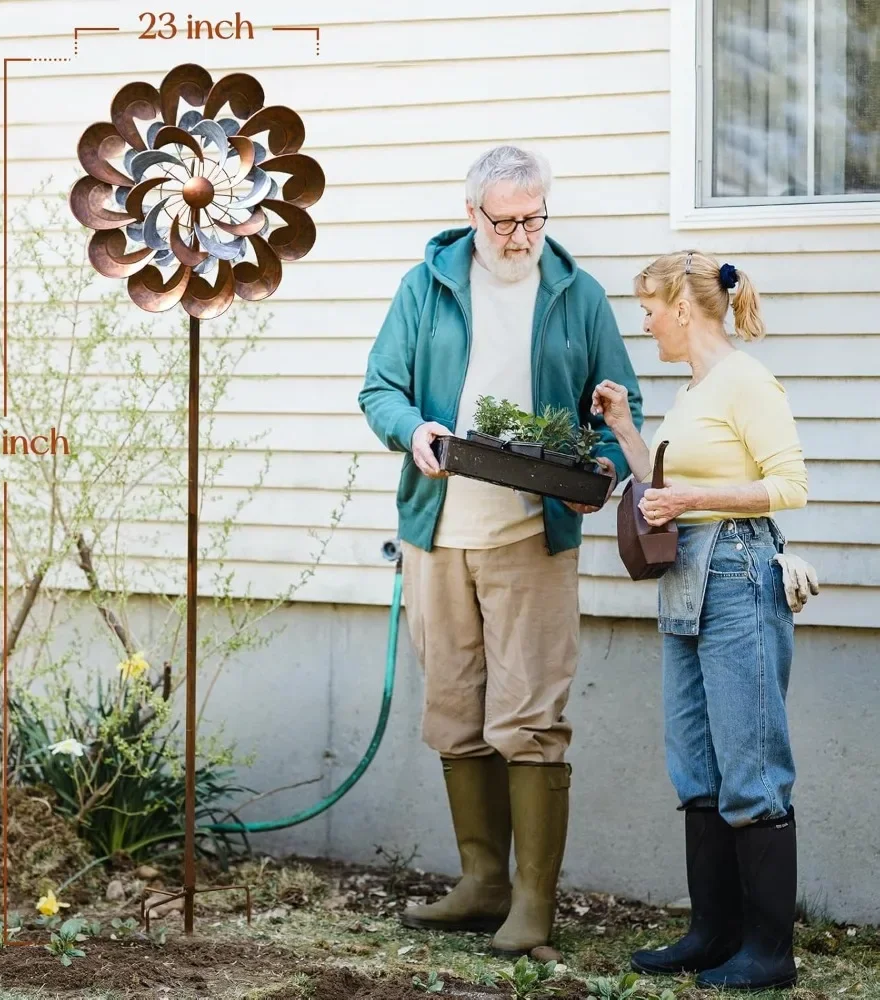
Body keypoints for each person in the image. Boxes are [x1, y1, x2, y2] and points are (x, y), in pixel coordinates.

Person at [357, 144, 643, 958]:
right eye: (507, 220)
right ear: (473, 213)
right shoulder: (428, 286)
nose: (522, 236)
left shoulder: (575, 294)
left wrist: (602, 471)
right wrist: (414, 432)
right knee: (454, 711)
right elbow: (380, 387)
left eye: (534, 218)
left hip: (531, 533)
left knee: (531, 717)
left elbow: (621, 406)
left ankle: (531, 905)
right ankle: (481, 883)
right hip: (439, 534)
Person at [591, 251, 818, 991]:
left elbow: (790, 485)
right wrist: (627, 427)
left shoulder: (747, 381)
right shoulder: (694, 393)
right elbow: (660, 487)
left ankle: (769, 953)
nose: (647, 323)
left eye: (650, 309)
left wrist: (687, 500)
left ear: (682, 309)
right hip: (686, 582)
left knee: (750, 766)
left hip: (737, 574)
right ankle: (713, 934)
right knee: (697, 767)